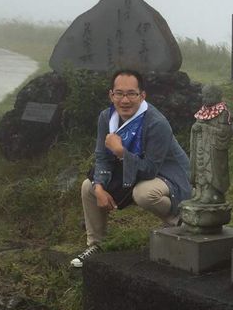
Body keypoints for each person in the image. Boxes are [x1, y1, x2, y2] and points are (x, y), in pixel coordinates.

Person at [70, 70, 191, 267]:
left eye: (131, 94)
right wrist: (99, 187)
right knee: (88, 187)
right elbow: (101, 157)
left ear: (142, 96)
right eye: (119, 93)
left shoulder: (156, 123)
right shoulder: (106, 118)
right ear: (111, 95)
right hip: (132, 170)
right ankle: (95, 245)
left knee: (143, 193)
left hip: (168, 174)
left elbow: (150, 170)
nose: (125, 100)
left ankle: (181, 222)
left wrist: (120, 152)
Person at [189, 83, 231, 204]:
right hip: (200, 146)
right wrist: (195, 128)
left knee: (210, 169)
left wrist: (205, 129)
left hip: (212, 149)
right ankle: (199, 190)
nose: (205, 99)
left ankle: (211, 192)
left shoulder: (223, 112)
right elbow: (197, 125)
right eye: (204, 96)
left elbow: (224, 132)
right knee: (199, 168)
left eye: (208, 96)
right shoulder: (202, 111)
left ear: (217, 96)